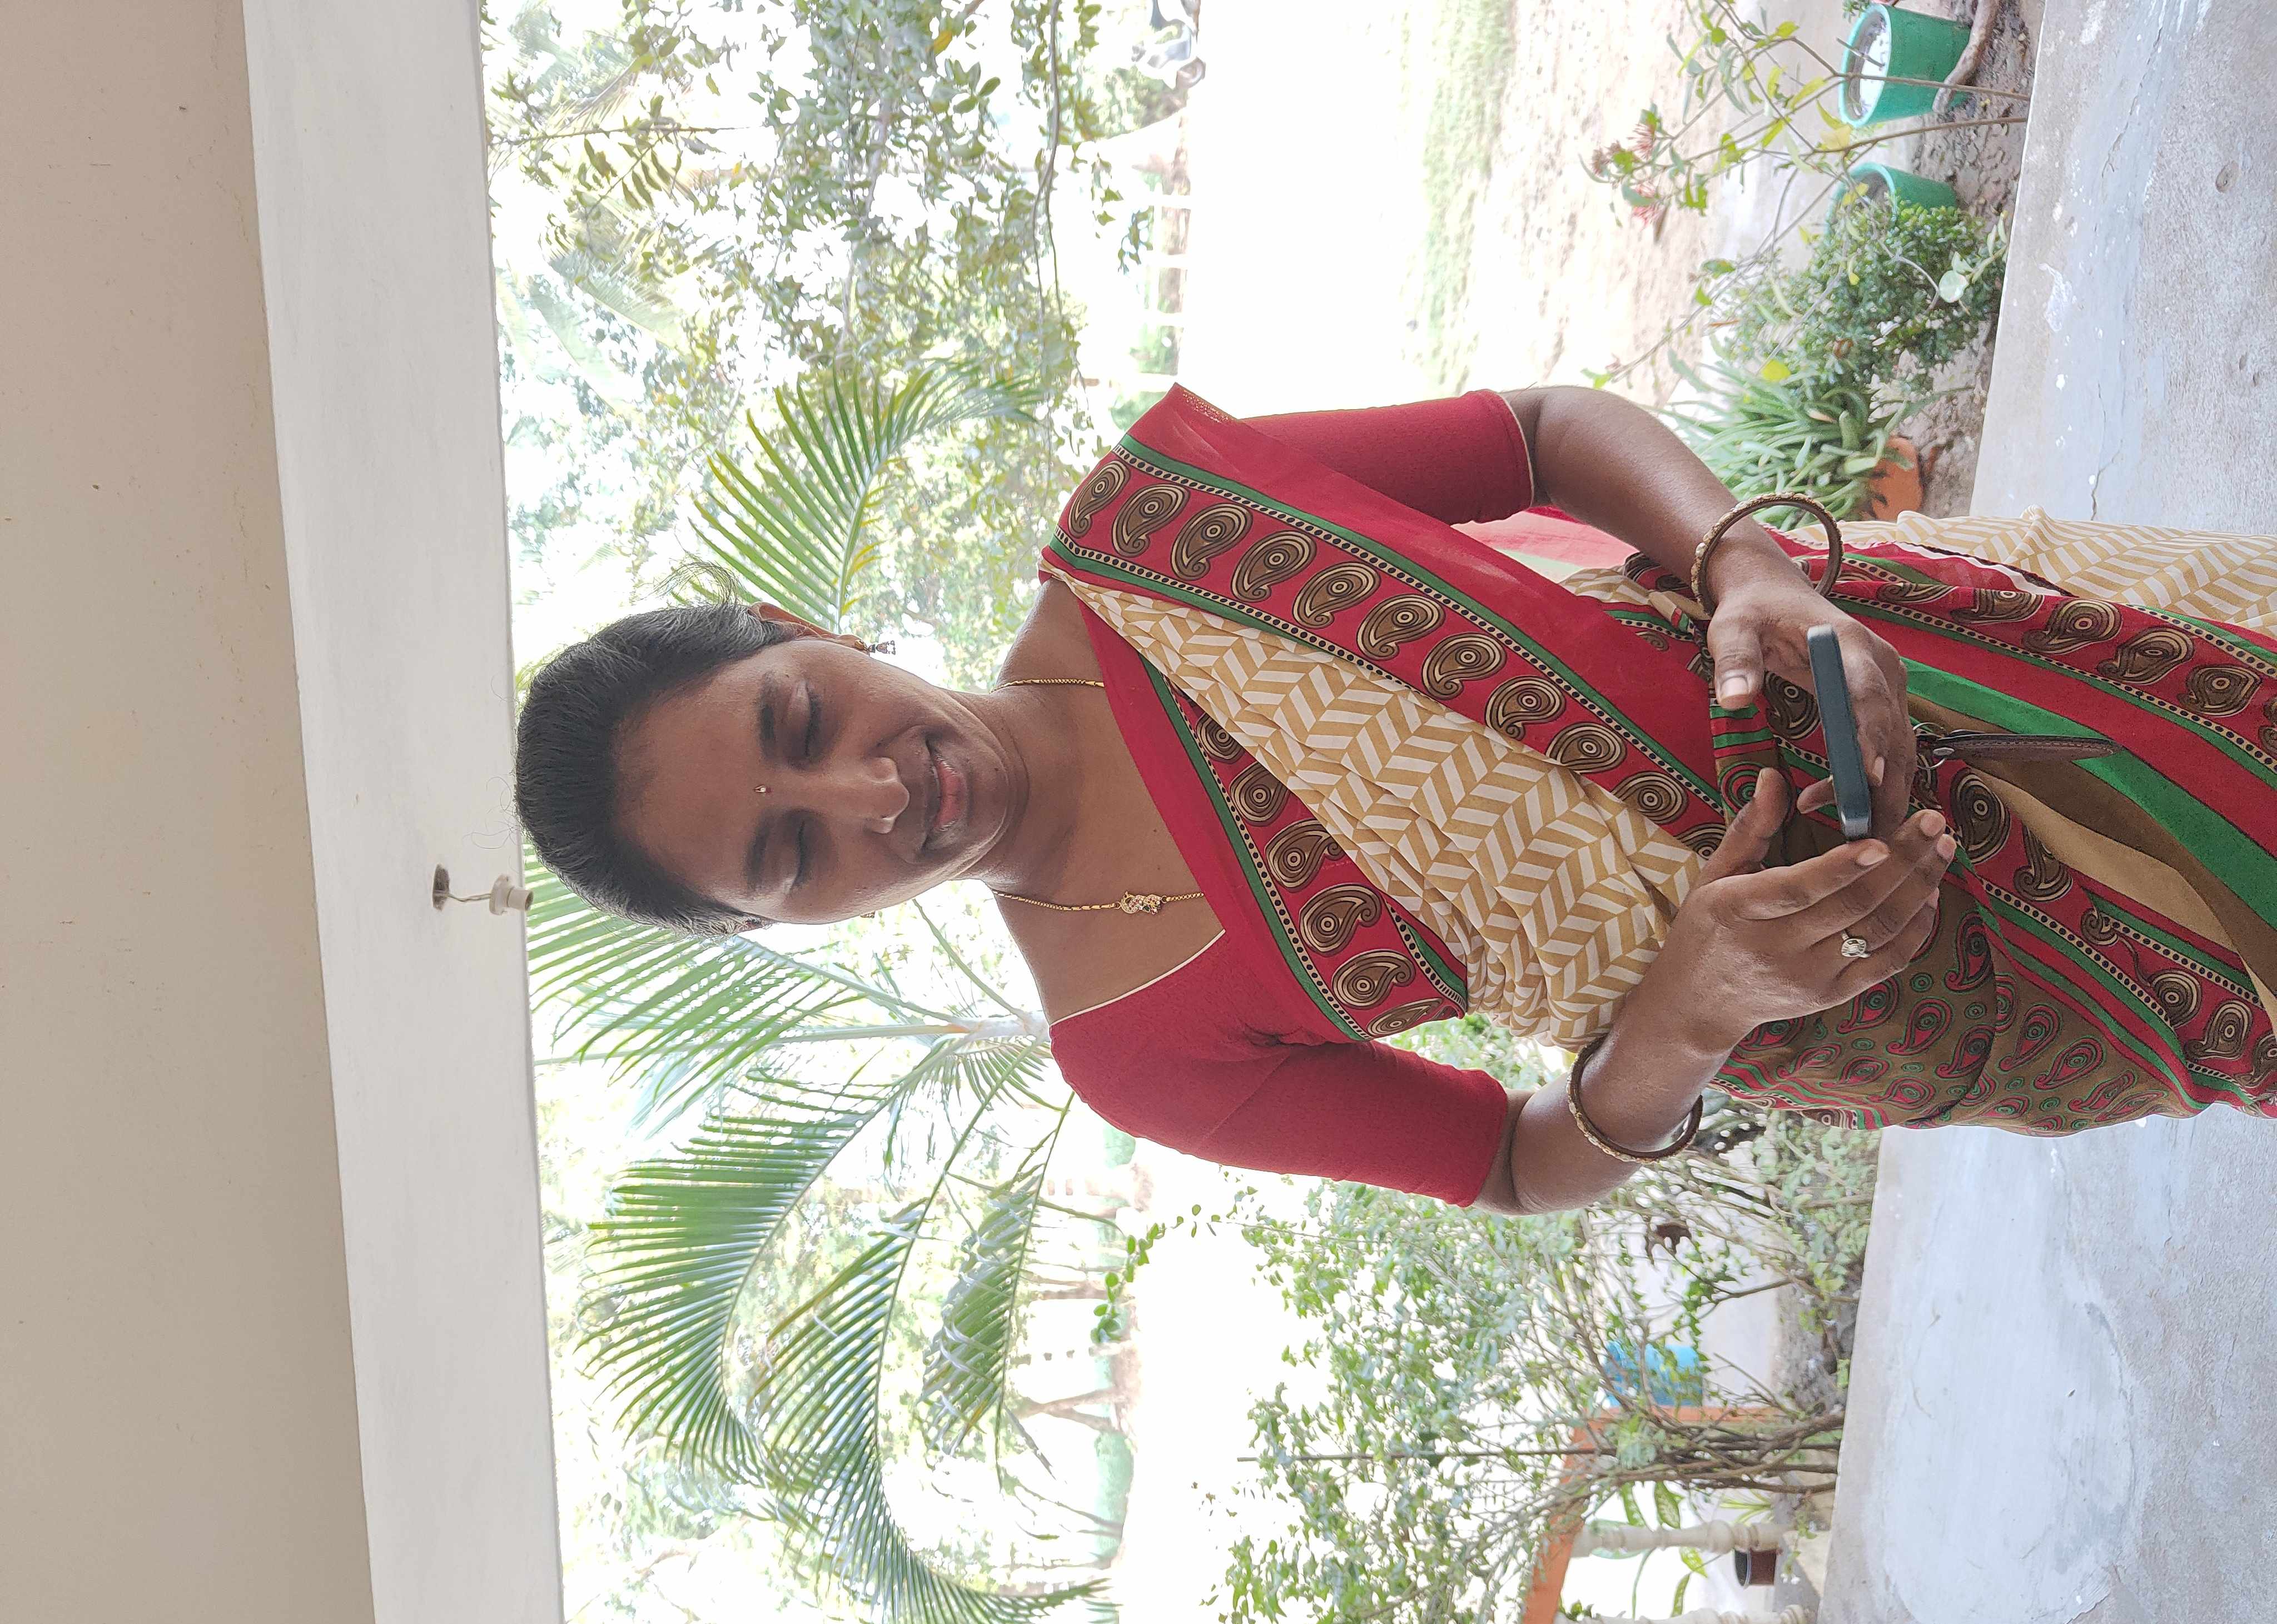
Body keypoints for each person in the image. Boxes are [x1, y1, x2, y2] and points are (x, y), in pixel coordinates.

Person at [514, 385, 2277, 1215]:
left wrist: (1751, 565)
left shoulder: (1159, 533)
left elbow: (1542, 434)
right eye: (789, 849)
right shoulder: (1136, 1050)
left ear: (805, 629)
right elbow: (1517, 1164)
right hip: (1939, 989)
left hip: (1937, 664)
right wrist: (1693, 1009)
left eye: (804, 714)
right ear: (785, 924)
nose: (871, 789)